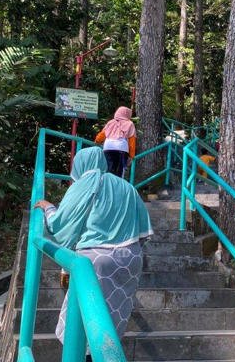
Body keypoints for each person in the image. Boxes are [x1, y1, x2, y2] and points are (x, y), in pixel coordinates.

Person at [33, 147, 152, 351]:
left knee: (83, 326)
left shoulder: (86, 182)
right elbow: (144, 232)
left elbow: (60, 224)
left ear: (80, 165)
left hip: (95, 261)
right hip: (131, 259)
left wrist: (48, 207)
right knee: (109, 323)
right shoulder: (127, 187)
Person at [95, 106, 137, 178]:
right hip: (121, 147)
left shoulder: (110, 122)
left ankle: (108, 185)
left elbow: (102, 134)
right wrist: (131, 156)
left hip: (108, 146)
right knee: (120, 171)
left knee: (110, 169)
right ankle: (117, 187)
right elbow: (132, 141)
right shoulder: (130, 124)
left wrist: (97, 141)